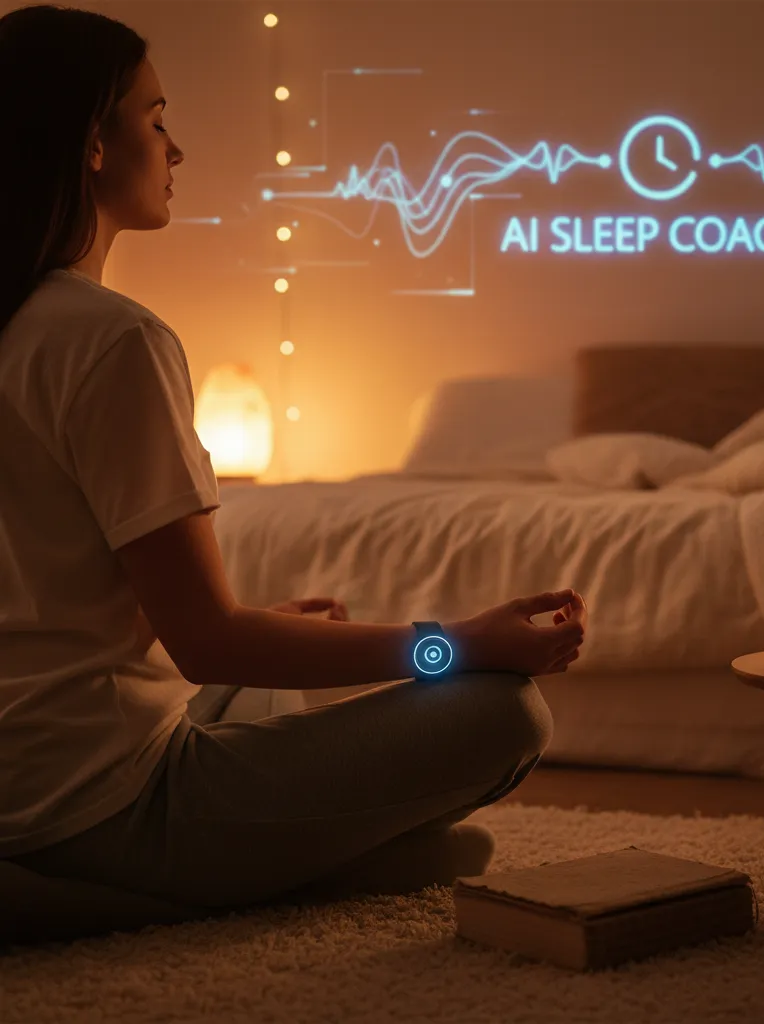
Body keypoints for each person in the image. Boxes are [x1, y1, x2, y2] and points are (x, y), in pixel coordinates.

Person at [0, 5, 587, 941]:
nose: (176, 148)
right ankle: (108, 896)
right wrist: (457, 645)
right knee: (508, 716)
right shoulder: (114, 341)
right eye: (156, 119)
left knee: (266, 694)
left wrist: (265, 628)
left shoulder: (31, 329)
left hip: (27, 775)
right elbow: (212, 646)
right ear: (93, 145)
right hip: (103, 801)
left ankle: (188, 878)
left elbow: (64, 607)